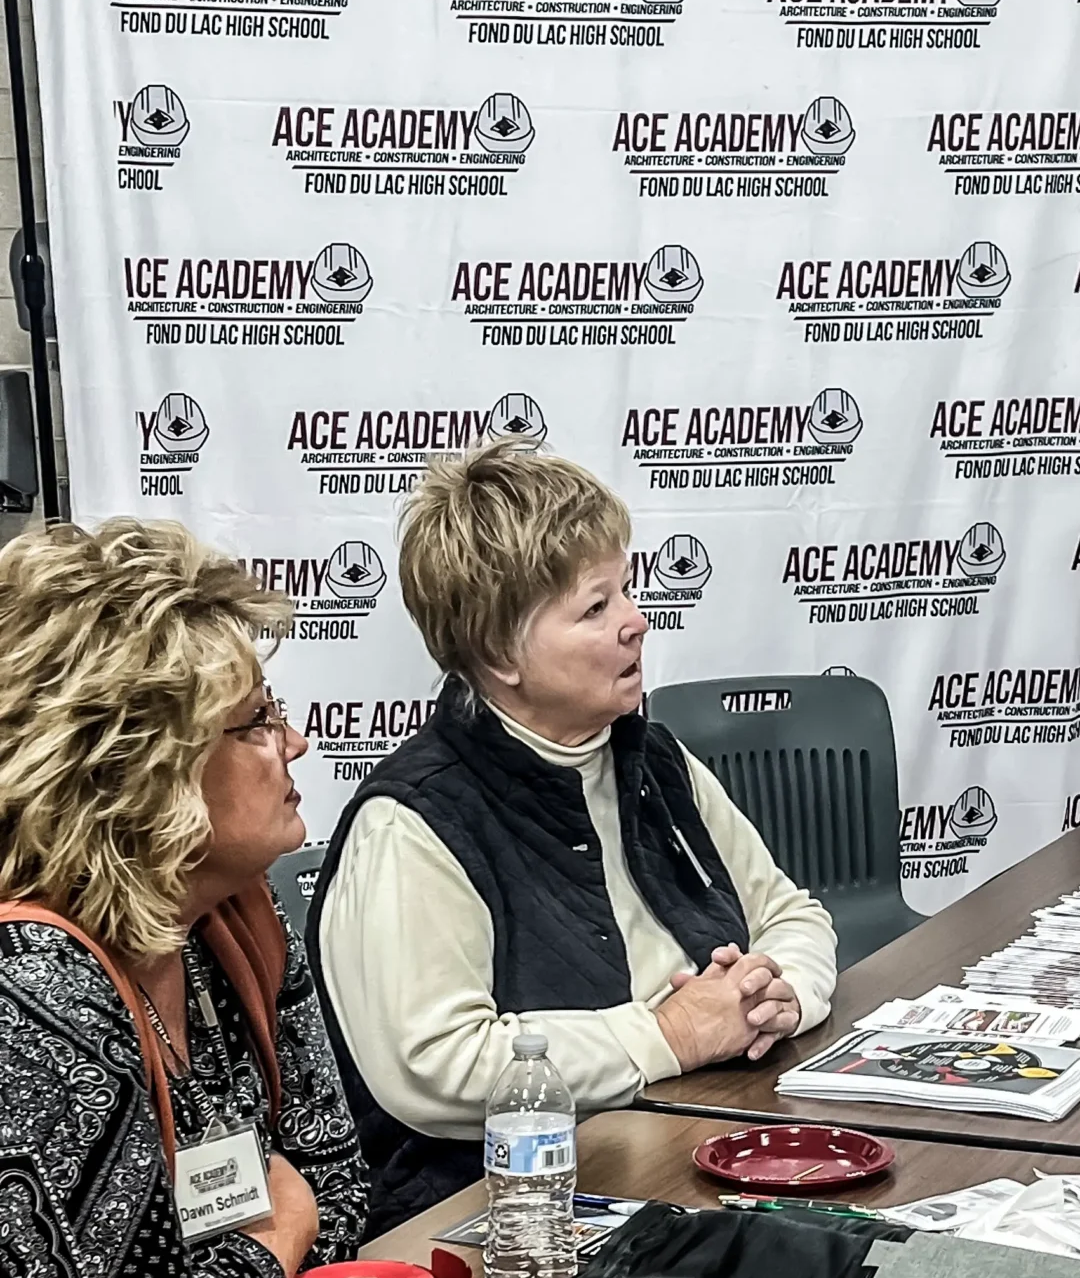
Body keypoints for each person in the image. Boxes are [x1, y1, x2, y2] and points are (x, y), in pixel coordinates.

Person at [312, 445, 839, 1234]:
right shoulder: (412, 823)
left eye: (626, 589)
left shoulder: (652, 758)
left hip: (697, 1152)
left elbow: (792, 914)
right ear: (498, 655)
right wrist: (669, 1034)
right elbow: (434, 1067)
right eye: (595, 608)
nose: (637, 621)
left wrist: (780, 993)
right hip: (508, 1219)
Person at [0, 521, 368, 1278]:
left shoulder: (235, 920)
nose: (297, 743)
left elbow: (345, 1196)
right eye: (256, 723)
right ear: (138, 768)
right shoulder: (32, 987)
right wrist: (280, 1232)